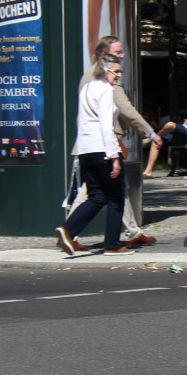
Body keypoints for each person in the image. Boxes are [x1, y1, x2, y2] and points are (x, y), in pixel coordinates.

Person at [66, 37, 159, 247]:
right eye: (118, 52)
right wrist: (151, 133)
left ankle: (131, 232)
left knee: (109, 193)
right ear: (106, 56)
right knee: (97, 194)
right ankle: (69, 233)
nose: (122, 56)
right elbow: (126, 110)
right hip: (104, 145)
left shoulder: (88, 77)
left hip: (89, 145)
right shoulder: (106, 81)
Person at [56, 60, 133, 256]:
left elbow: (83, 122)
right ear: (105, 71)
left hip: (85, 150)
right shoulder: (106, 90)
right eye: (115, 72)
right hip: (103, 150)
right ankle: (112, 244)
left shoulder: (86, 89)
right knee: (116, 198)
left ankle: (68, 230)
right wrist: (114, 158)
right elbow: (106, 125)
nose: (118, 75)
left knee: (97, 196)